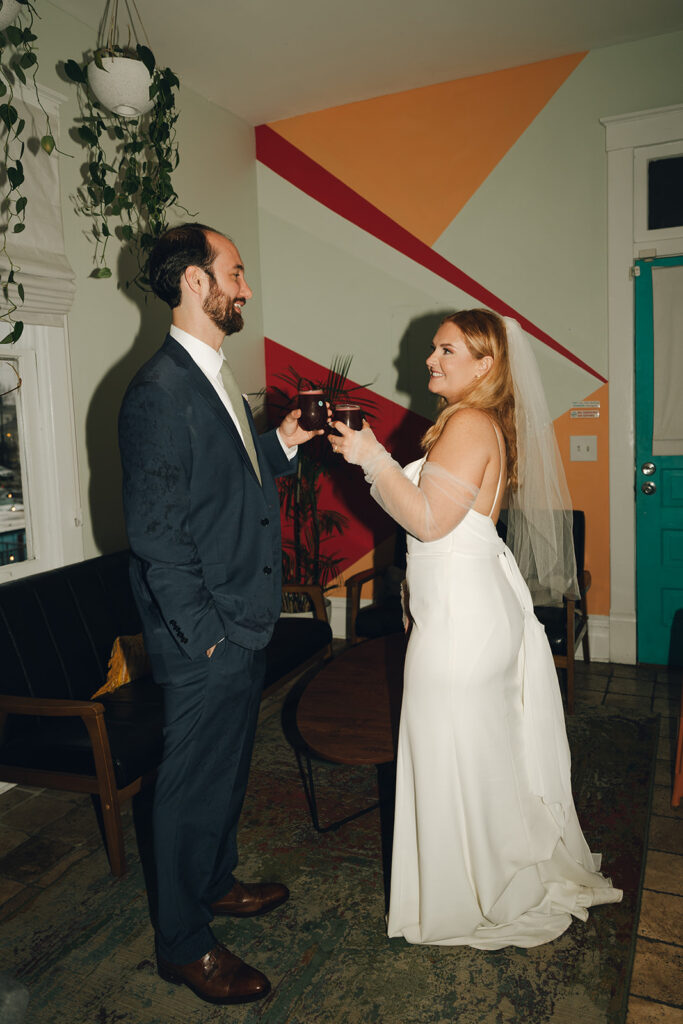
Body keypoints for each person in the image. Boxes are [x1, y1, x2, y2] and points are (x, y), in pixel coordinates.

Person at [329, 309, 622, 948]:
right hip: (465, 607)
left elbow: (430, 522)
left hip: (464, 623)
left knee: (450, 748)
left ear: (486, 364)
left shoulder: (467, 422)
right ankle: (485, 876)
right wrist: (411, 588)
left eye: (446, 350)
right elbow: (452, 531)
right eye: (434, 350)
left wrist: (370, 455)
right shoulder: (476, 422)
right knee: (470, 752)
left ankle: (475, 890)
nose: (430, 361)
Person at [119, 223, 321, 1003]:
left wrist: (284, 442)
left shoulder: (211, 374)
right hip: (205, 633)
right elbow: (159, 539)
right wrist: (206, 640)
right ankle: (183, 942)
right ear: (196, 284)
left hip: (241, 620)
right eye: (233, 273)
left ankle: (213, 882)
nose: (243, 286)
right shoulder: (157, 393)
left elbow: (226, 483)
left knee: (223, 773)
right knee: (187, 786)